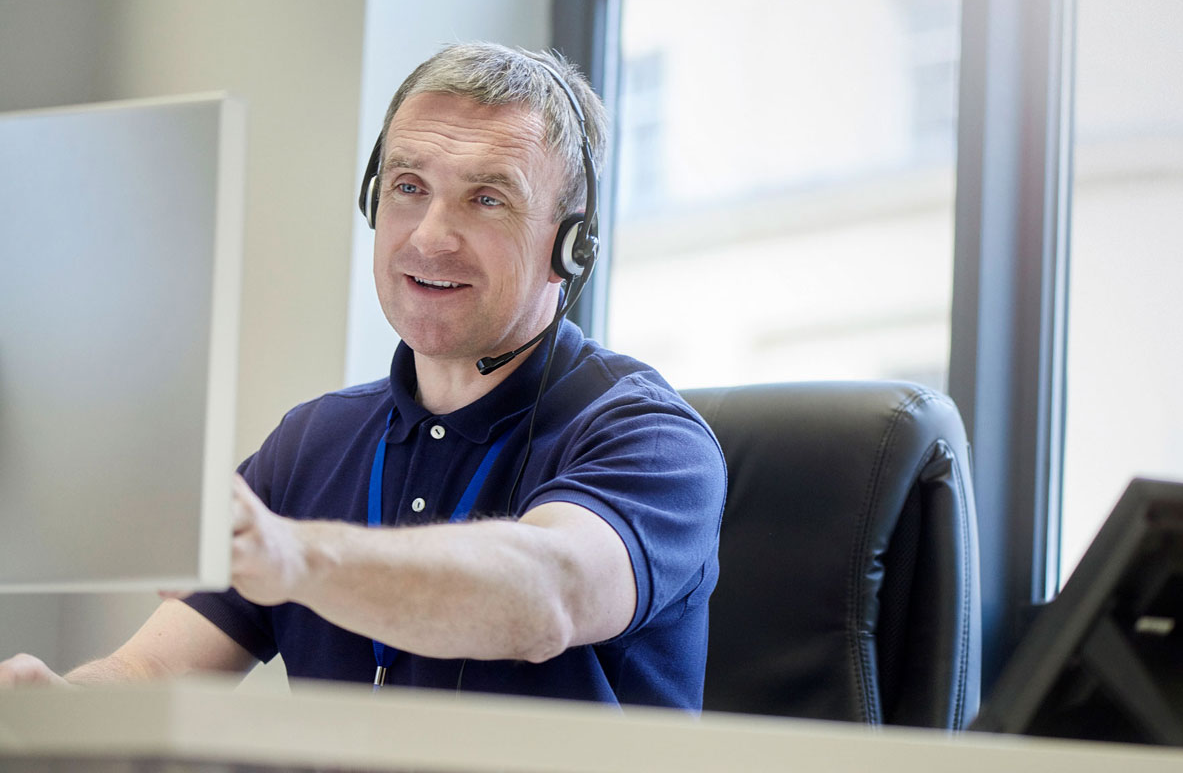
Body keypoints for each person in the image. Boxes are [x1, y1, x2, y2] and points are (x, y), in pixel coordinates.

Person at [0, 43, 726, 710]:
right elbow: (151, 673)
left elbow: (546, 594)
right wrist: (55, 706)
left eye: (487, 198)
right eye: (408, 186)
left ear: (570, 244)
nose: (430, 236)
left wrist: (296, 556)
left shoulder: (650, 439)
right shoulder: (314, 441)